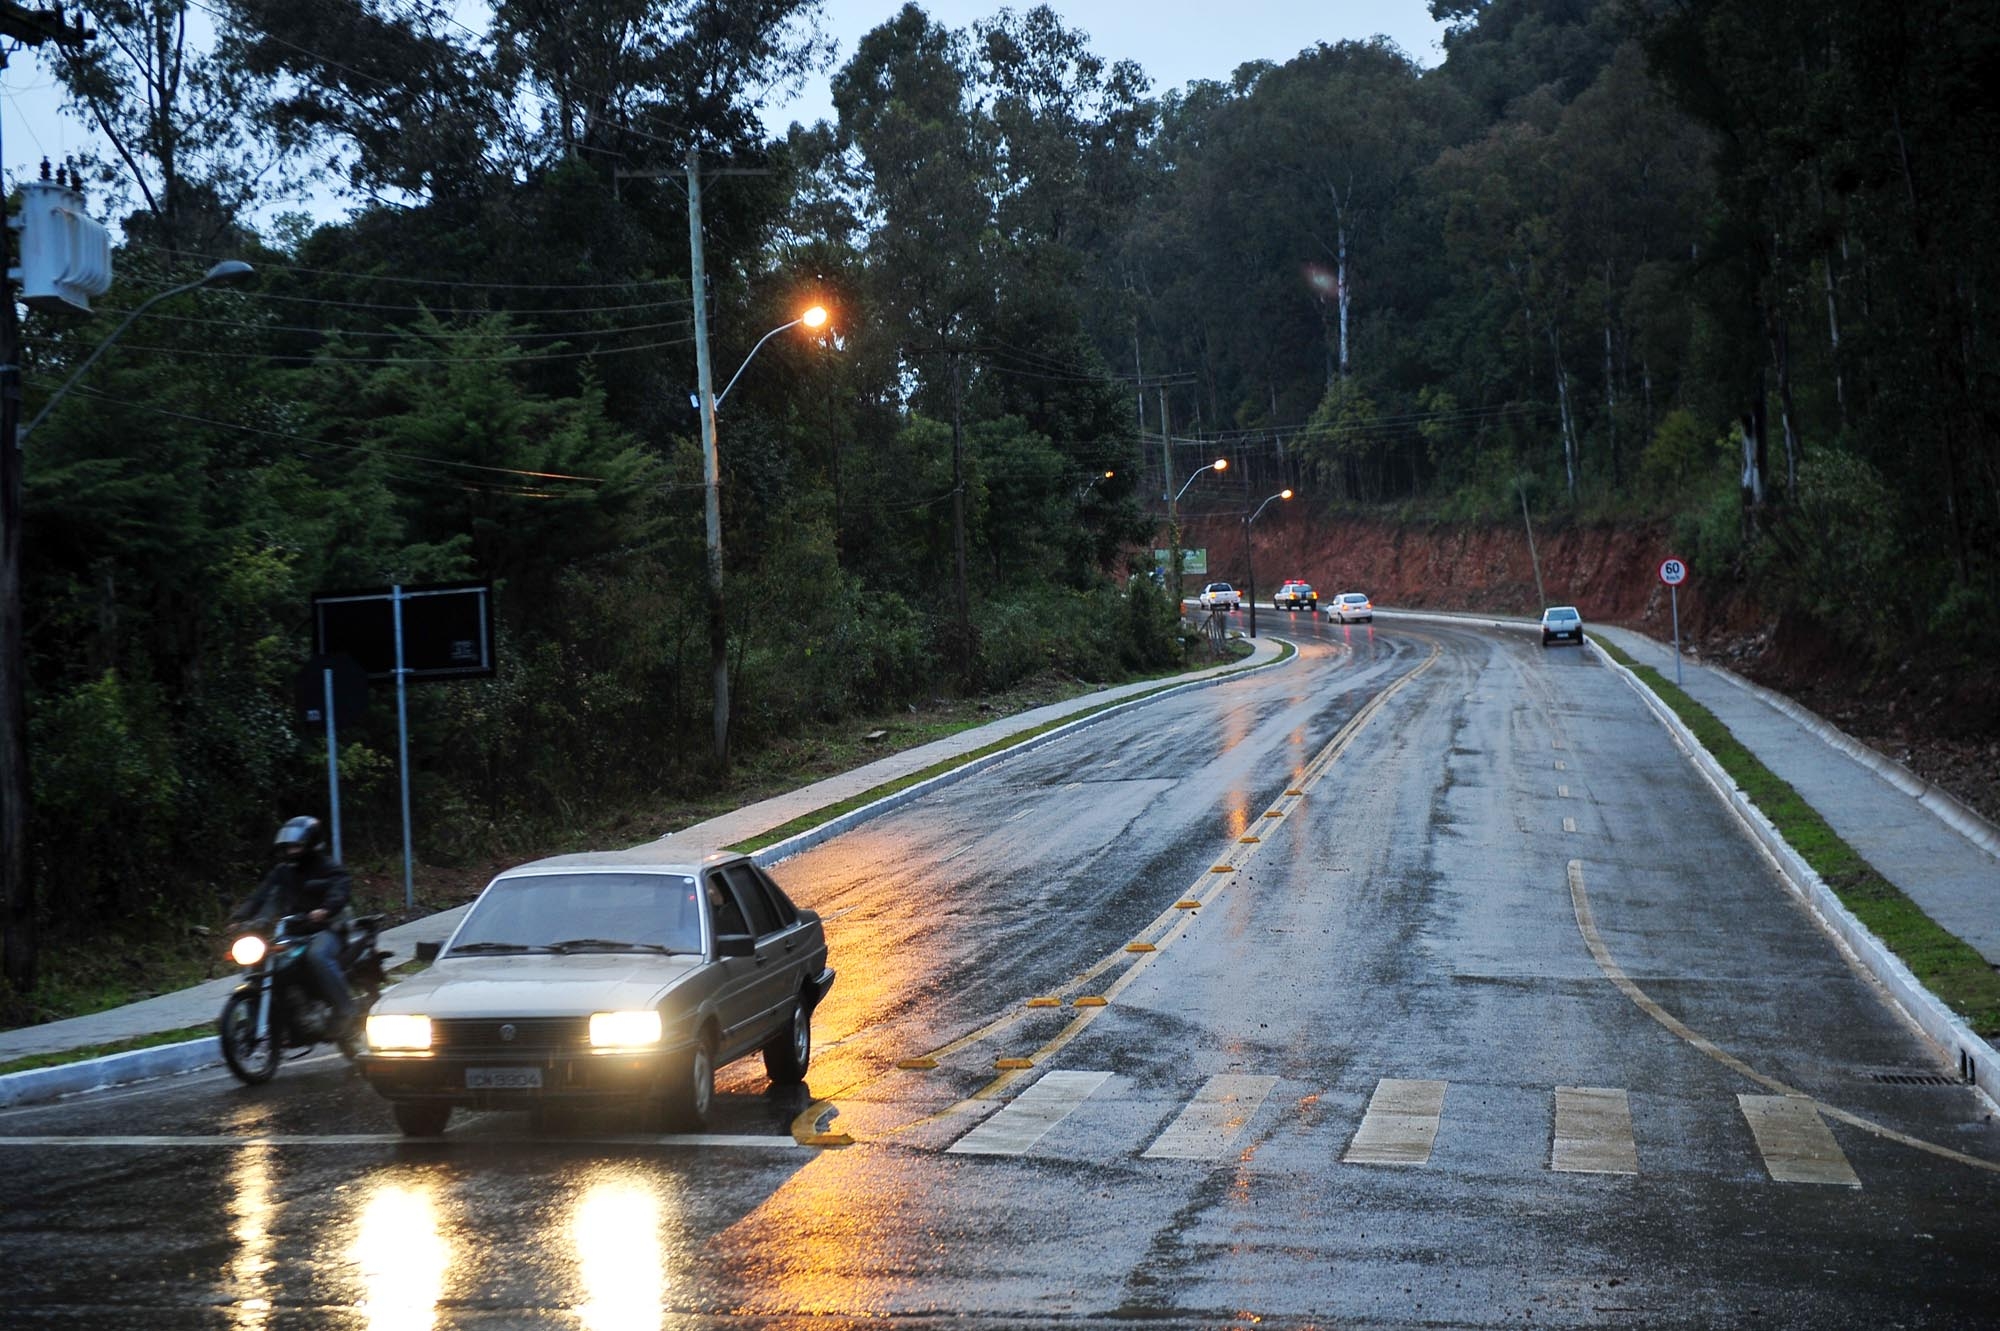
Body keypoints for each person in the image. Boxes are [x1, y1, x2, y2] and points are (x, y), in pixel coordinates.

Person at [230, 816, 358, 1038]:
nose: (291, 851)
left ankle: (347, 1010)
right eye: (288, 847)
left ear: (311, 844)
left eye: (296, 846)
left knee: (317, 956)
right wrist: (240, 918)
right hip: (294, 930)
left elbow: (340, 889)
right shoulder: (282, 871)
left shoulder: (327, 867)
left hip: (328, 928)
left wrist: (326, 909)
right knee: (267, 960)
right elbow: (261, 895)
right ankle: (285, 1015)